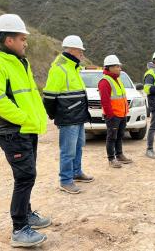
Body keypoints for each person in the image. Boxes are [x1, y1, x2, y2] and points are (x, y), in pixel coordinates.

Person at [0, 14, 50, 247]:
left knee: (28, 175)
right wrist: (23, 119)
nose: (25, 43)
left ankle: (27, 213)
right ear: (9, 40)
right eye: (22, 39)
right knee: (25, 176)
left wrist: (34, 120)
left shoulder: (19, 62)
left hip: (26, 129)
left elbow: (27, 96)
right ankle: (19, 228)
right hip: (12, 131)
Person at [43, 35, 93, 194]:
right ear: (72, 50)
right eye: (80, 51)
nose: (82, 55)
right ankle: (65, 180)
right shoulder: (59, 68)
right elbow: (49, 96)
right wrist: (54, 115)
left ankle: (76, 172)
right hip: (68, 117)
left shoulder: (73, 67)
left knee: (79, 146)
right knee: (68, 150)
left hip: (77, 115)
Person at [98, 55, 133, 168]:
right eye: (117, 66)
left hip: (122, 114)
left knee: (119, 135)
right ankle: (111, 159)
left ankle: (119, 155)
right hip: (113, 115)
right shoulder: (105, 82)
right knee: (112, 137)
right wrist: (110, 115)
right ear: (110, 67)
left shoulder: (117, 79)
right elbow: (105, 101)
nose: (119, 68)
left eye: (119, 66)